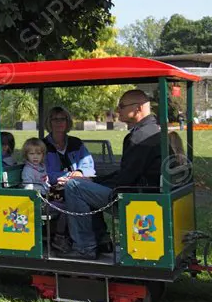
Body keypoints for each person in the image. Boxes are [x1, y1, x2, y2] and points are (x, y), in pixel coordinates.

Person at [61, 89, 162, 259]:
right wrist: (93, 181)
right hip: (146, 195)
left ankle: (84, 247)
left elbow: (125, 180)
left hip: (133, 199)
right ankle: (102, 240)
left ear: (137, 108)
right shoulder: (154, 130)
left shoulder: (140, 138)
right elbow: (127, 172)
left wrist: (93, 184)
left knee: (73, 186)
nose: (118, 111)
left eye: (121, 106)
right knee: (86, 187)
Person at [43, 106, 96, 186]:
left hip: (78, 186)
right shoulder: (42, 146)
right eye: (55, 119)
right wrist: (66, 177)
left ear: (67, 122)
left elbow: (88, 165)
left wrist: (80, 172)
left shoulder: (76, 143)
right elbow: (41, 172)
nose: (59, 122)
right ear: (49, 122)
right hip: (52, 189)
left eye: (62, 119)